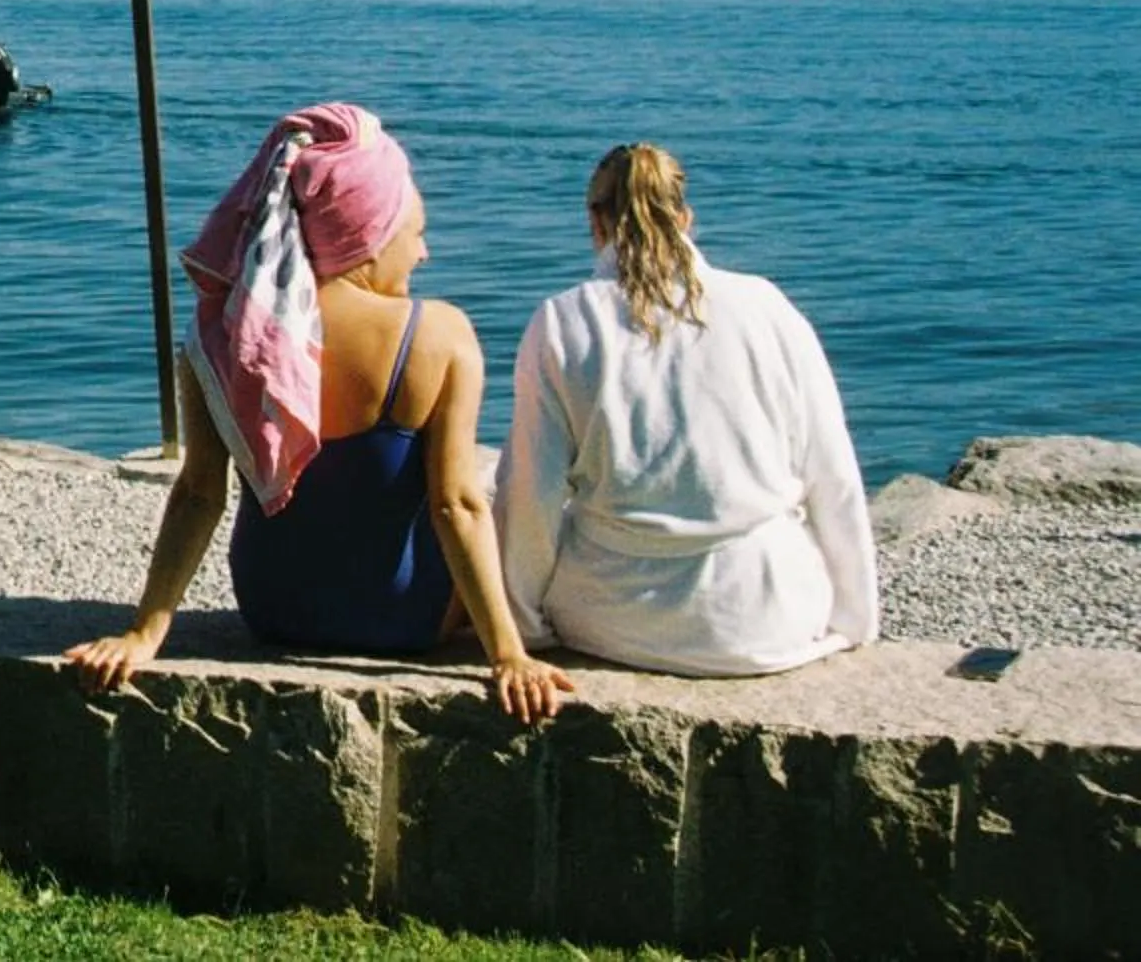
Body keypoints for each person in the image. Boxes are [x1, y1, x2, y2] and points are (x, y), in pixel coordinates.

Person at [64, 103, 573, 723]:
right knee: (503, 491)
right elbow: (454, 505)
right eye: (413, 235)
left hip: (273, 608)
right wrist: (508, 655)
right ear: (369, 235)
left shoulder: (227, 334)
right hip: (405, 618)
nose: (423, 254)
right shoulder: (437, 333)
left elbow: (199, 494)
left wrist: (144, 634)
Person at [495, 143, 878, 676]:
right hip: (767, 613)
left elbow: (532, 494)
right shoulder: (766, 305)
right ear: (685, 217)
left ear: (595, 221)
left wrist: (523, 622)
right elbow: (831, 472)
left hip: (613, 615)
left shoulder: (564, 320)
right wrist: (856, 616)